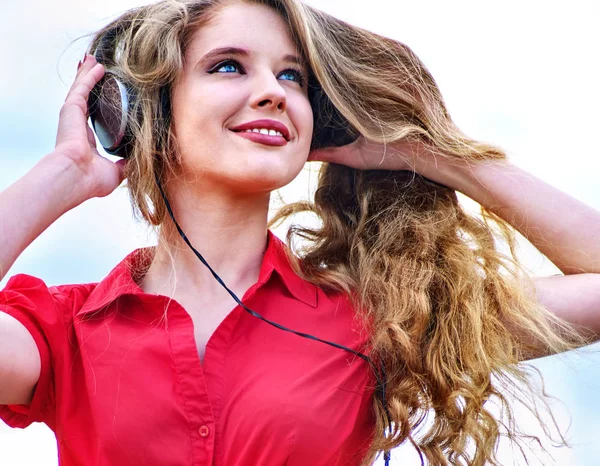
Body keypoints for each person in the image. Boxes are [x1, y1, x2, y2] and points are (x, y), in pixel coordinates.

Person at [0, 0, 599, 465]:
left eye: (293, 78)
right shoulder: (65, 330)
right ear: (141, 112)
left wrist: (440, 155)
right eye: (228, 66)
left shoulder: (377, 315)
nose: (272, 93)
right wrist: (65, 174)